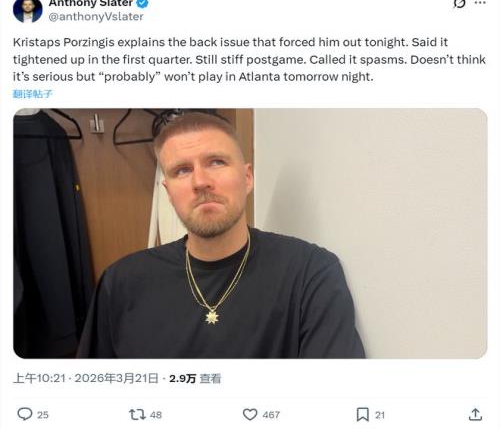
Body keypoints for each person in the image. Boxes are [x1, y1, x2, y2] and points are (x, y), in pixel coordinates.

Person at [77, 112, 365, 358]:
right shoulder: (122, 283)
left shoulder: (309, 273)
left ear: (247, 178)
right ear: (169, 192)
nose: (201, 181)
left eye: (216, 162)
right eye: (182, 170)